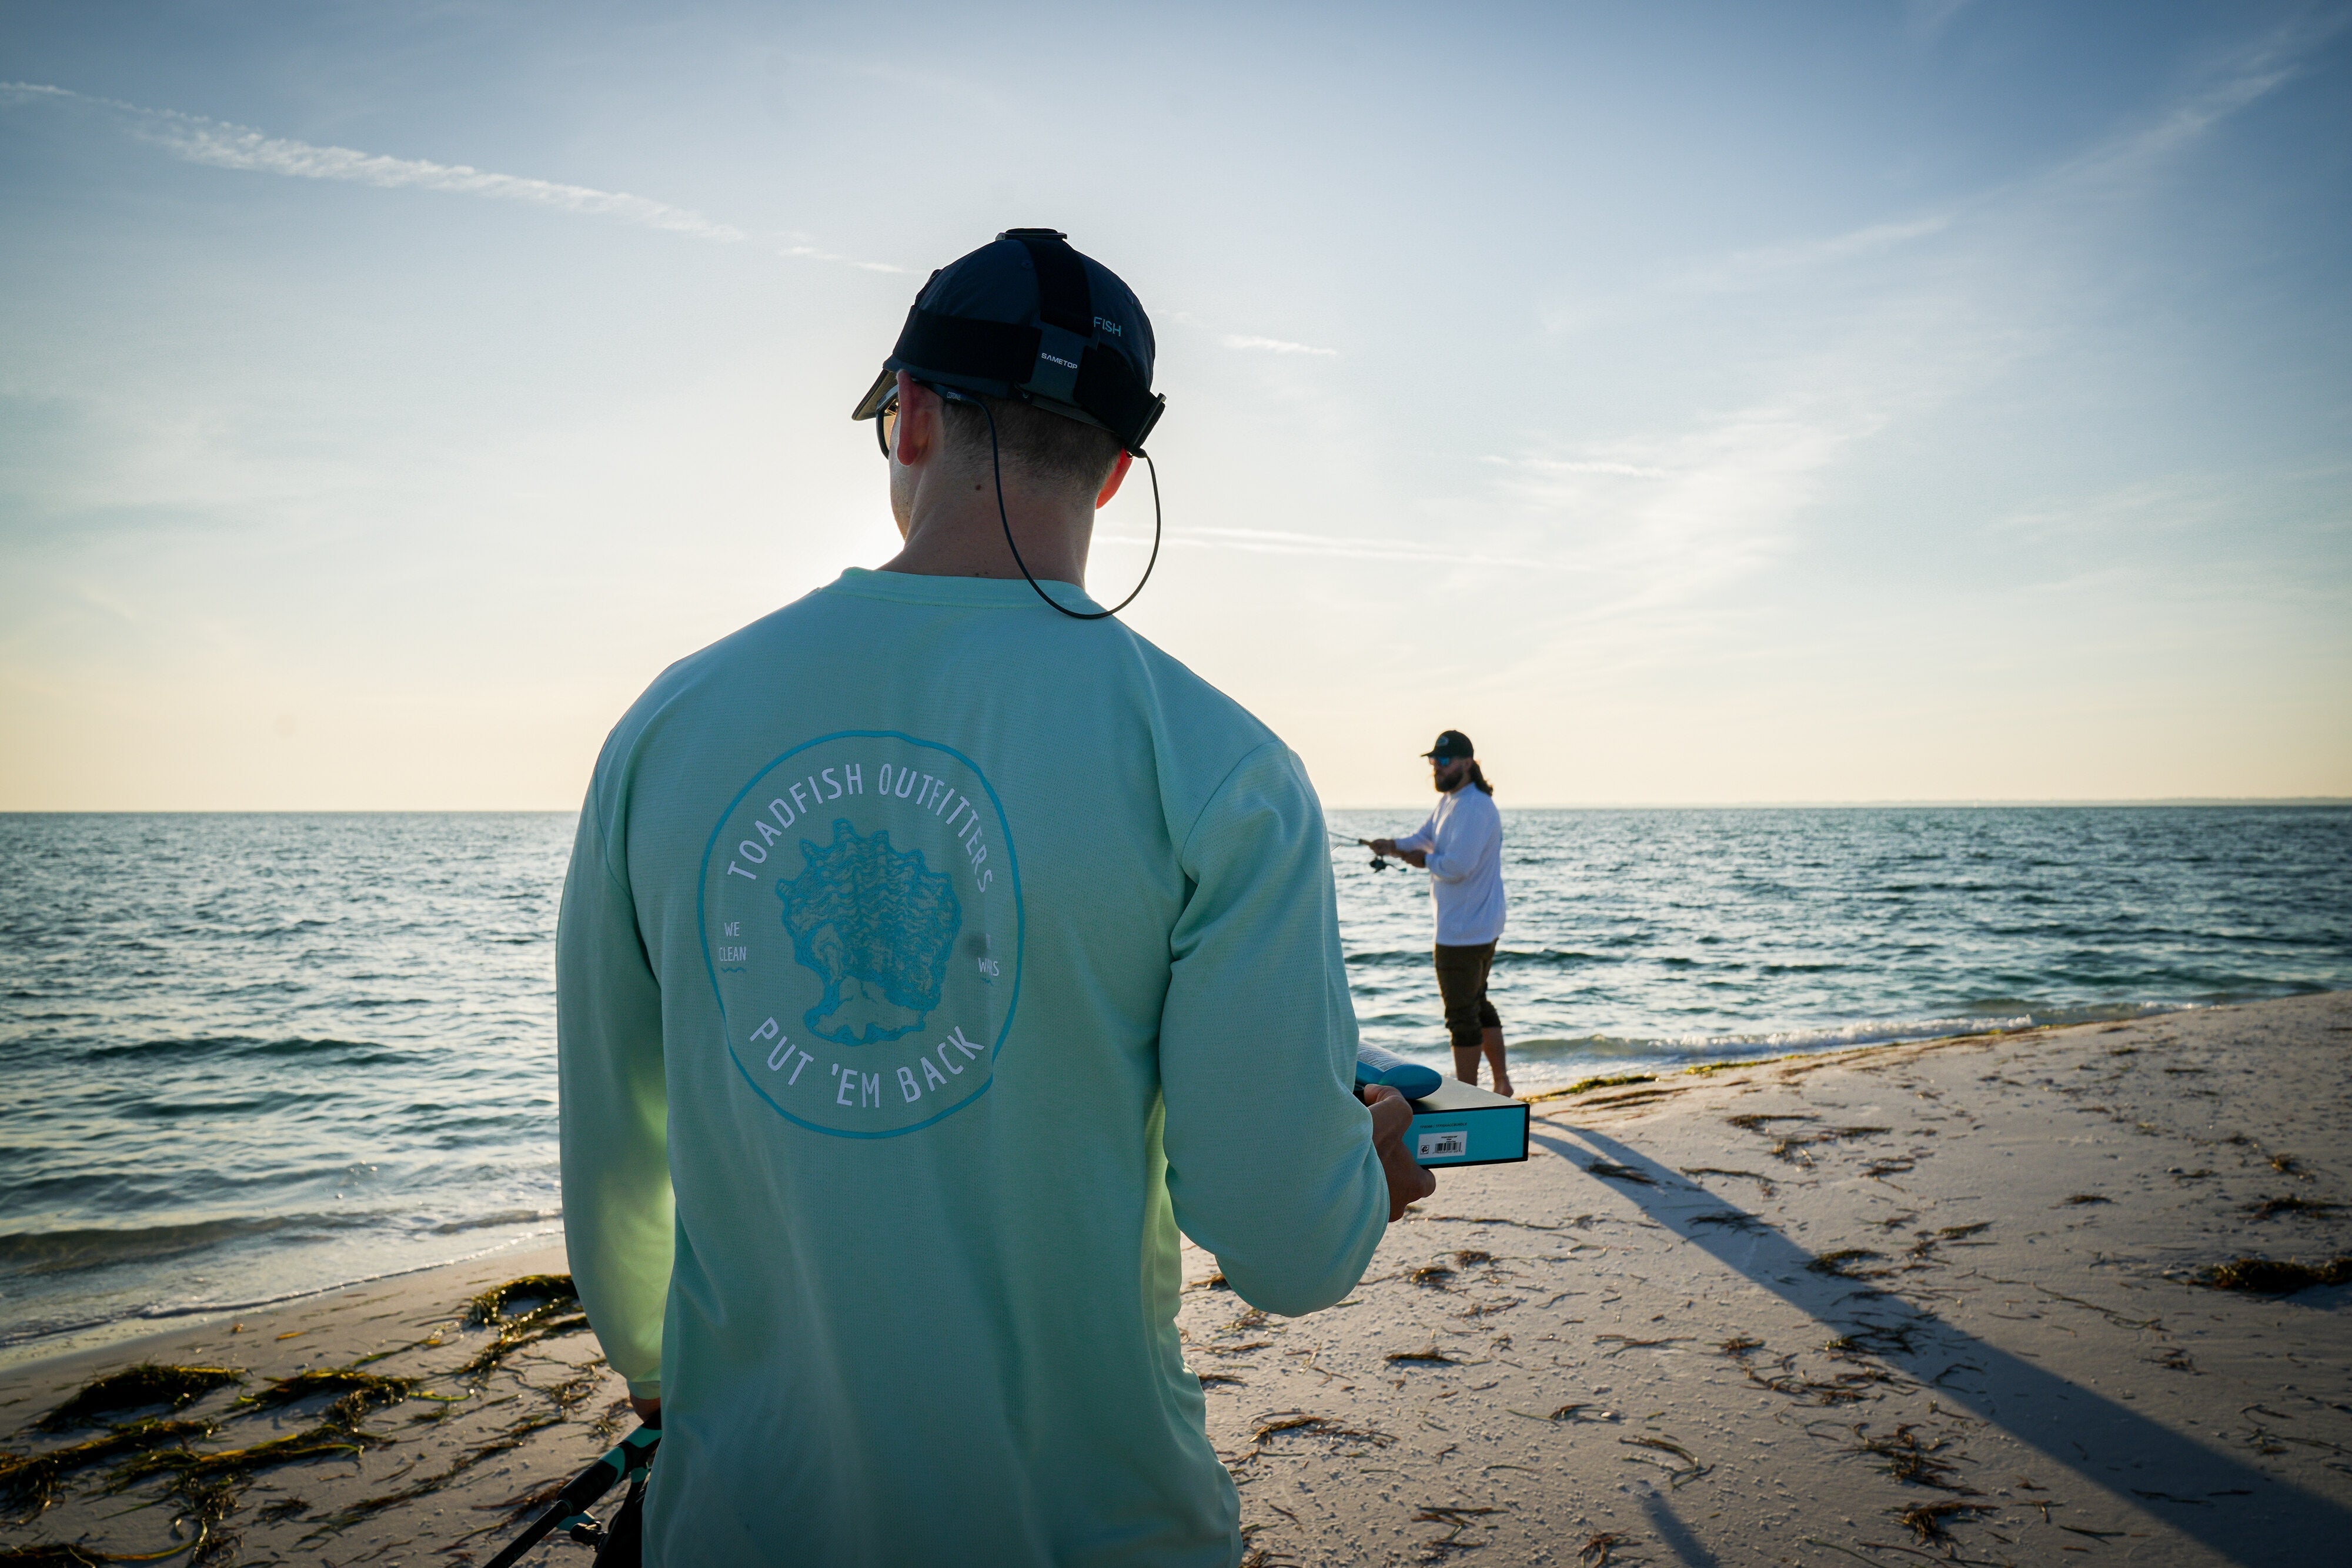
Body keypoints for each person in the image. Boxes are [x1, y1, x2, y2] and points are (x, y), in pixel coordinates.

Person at [555, 229, 1434, 1567]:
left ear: (908, 417)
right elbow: (1283, 1244)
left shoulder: (668, 728)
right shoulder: (1223, 772)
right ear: (1118, 469)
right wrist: (1355, 1174)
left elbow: (618, 1141)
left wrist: (660, 1375)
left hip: (751, 1522)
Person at [1371, 731, 1511, 1095]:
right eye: (1434, 761)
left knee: (1460, 1015)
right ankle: (1501, 1085)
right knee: (1478, 1003)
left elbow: (1456, 866)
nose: (1437, 767)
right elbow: (1425, 837)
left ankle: (1469, 1097)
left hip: (1463, 931)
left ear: (1467, 763)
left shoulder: (1474, 807)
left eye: (1444, 761)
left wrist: (1420, 860)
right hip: (1477, 924)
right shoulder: (1453, 801)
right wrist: (1394, 847)